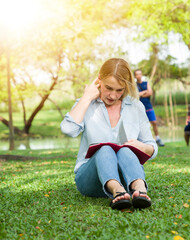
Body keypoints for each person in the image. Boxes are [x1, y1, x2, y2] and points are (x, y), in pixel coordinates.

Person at [61, 58, 158, 210]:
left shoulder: (135, 106)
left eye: (119, 90)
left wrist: (142, 147)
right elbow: (68, 130)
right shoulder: (87, 103)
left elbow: (152, 146)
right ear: (99, 79)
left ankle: (139, 188)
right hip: (90, 179)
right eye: (108, 88)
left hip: (126, 179)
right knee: (105, 149)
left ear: (126, 86)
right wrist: (86, 97)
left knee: (126, 150)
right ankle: (116, 191)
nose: (113, 95)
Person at [134, 69, 165, 147]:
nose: (139, 75)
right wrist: (144, 92)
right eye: (137, 74)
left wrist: (140, 94)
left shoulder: (146, 83)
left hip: (148, 106)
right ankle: (139, 140)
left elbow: (150, 92)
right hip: (138, 108)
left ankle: (157, 138)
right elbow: (135, 95)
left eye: (140, 74)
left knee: (154, 122)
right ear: (135, 76)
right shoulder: (134, 85)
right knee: (139, 125)